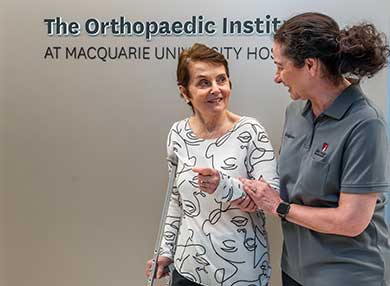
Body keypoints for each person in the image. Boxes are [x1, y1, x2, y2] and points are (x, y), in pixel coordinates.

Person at [240, 12, 390, 286]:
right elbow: (291, 186)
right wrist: (251, 194)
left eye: (280, 66)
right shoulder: (295, 112)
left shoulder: (366, 123)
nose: (277, 77)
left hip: (346, 276)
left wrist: (279, 207)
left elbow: (351, 220)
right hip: (295, 271)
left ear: (310, 65)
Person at [145, 43, 279, 286]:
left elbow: (271, 199)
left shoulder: (250, 132)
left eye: (221, 80)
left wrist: (223, 185)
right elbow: (175, 200)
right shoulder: (178, 133)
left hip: (241, 274)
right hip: (188, 270)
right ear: (185, 92)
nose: (216, 89)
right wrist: (165, 251)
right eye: (204, 82)